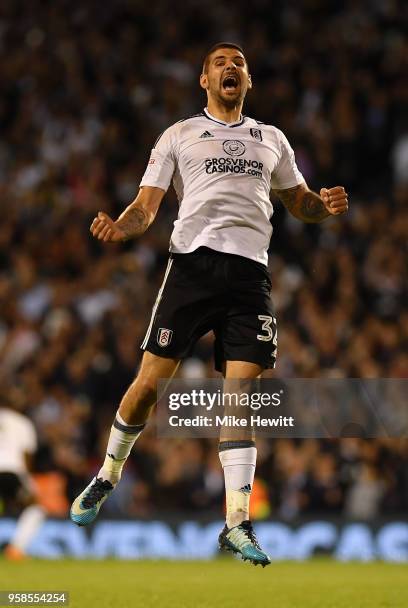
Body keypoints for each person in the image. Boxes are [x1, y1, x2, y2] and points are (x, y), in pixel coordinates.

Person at [70, 42, 348, 566]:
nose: (230, 68)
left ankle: (237, 524)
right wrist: (119, 228)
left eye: (238, 63)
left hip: (250, 277)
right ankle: (108, 473)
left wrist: (323, 207)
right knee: (149, 387)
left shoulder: (272, 139)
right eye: (220, 63)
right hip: (192, 268)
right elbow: (144, 207)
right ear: (203, 80)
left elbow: (299, 202)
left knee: (241, 396)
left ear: (249, 81)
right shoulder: (178, 135)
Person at [0, 404, 45, 560]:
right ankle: (16, 549)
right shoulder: (22, 422)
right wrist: (28, 482)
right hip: (11, 471)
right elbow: (27, 457)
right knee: (35, 507)